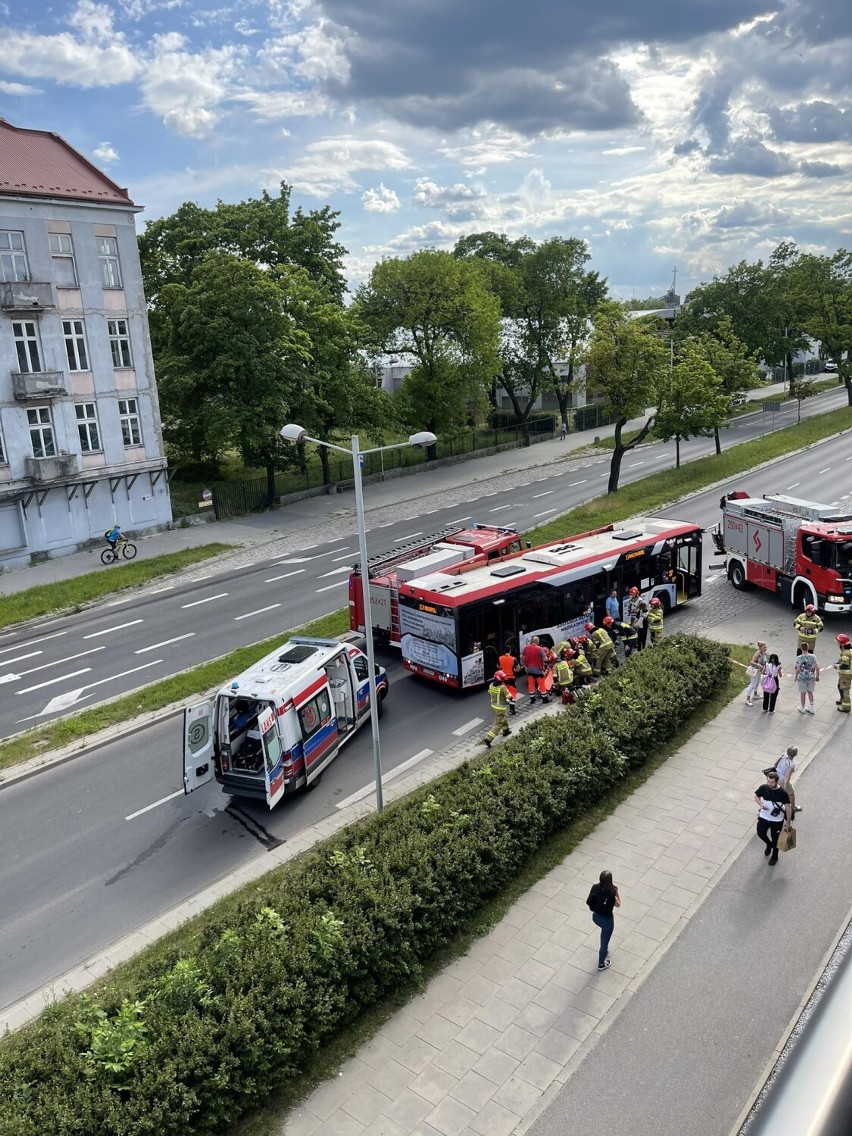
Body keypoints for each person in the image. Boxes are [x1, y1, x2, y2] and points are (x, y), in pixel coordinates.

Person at [754, 770, 792, 866]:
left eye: (772, 782)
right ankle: (768, 844)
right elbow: (756, 796)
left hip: (777, 820)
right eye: (768, 782)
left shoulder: (782, 793)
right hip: (764, 816)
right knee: (760, 833)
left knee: (776, 839)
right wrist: (761, 804)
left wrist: (788, 822)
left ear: (777, 781)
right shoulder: (763, 788)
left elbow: (788, 808)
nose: (769, 784)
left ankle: (775, 856)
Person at [586, 870, 621, 970]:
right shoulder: (612, 892)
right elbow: (618, 904)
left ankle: (605, 950)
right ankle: (601, 964)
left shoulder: (595, 887)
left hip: (596, 917)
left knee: (603, 935)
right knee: (604, 942)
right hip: (607, 921)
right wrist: (616, 893)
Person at [482, 670, 513, 748]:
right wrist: (509, 699)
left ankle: (506, 731)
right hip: (501, 708)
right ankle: (488, 739)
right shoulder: (503, 688)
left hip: (494, 706)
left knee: (502, 718)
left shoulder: (491, 685)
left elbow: (489, 692)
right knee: (498, 723)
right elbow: (510, 697)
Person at [521, 636, 551, 704]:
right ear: (537, 642)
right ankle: (545, 699)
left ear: (532, 641)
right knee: (542, 684)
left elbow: (522, 656)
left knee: (531, 684)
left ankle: (532, 699)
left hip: (529, 670)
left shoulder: (526, 647)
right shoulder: (540, 649)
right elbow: (545, 659)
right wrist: (547, 659)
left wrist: (524, 663)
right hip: (538, 670)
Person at [773, 746, 802, 814]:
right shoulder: (791, 764)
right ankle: (793, 807)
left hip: (775, 776)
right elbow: (787, 777)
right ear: (795, 754)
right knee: (791, 792)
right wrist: (785, 787)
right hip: (782, 779)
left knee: (774, 791)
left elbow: (775, 764)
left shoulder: (783, 756)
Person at [794, 643, 819, 715]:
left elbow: (798, 669)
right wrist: (817, 676)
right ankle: (812, 707)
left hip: (802, 678)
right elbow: (817, 667)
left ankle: (803, 707)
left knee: (803, 693)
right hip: (811, 677)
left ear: (801, 648)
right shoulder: (813, 656)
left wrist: (796, 677)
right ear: (808, 648)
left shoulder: (799, 658)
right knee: (810, 692)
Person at [498, 644, 520, 714]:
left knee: (505, 691)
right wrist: (515, 670)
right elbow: (518, 668)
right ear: (510, 651)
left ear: (504, 651)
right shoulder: (513, 659)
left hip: (503, 678)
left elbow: (498, 666)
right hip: (511, 678)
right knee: (512, 693)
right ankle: (512, 709)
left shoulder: (500, 658)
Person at [745, 641, 769, 706]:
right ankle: (747, 699)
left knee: (757, 683)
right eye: (764, 647)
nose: (765, 648)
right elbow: (751, 662)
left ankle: (755, 695)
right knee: (752, 684)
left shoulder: (762, 653)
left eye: (766, 647)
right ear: (760, 648)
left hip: (758, 671)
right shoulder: (757, 654)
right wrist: (758, 665)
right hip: (754, 671)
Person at [833, 632, 852, 713]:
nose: (837, 643)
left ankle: (846, 707)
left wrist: (837, 666)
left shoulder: (845, 653)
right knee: (840, 686)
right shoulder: (848, 650)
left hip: (846, 675)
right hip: (844, 675)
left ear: (842, 644)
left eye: (838, 642)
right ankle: (842, 699)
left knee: (845, 689)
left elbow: (844, 665)